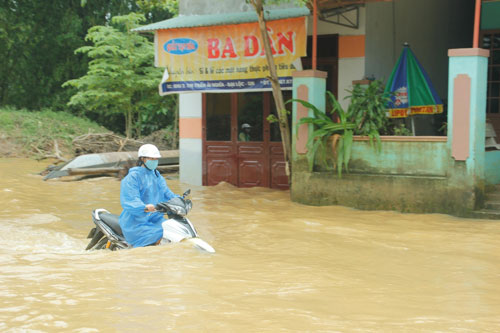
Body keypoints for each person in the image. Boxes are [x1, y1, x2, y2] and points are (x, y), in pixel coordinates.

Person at [119, 144, 179, 247]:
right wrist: (144, 207)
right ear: (143, 159)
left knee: (174, 231)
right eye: (152, 158)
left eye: (156, 158)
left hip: (155, 219)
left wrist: (179, 201)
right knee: (161, 235)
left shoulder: (156, 175)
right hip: (136, 224)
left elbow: (167, 193)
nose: (155, 161)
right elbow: (130, 200)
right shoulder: (132, 177)